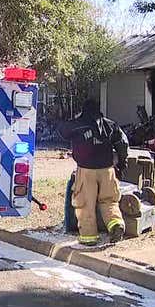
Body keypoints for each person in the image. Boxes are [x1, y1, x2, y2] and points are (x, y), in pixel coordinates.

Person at [58, 99, 129, 246]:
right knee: (109, 201)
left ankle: (89, 238)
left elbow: (62, 130)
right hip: (107, 170)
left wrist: (68, 118)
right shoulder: (110, 125)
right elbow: (123, 144)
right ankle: (116, 225)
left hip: (86, 170)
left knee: (85, 205)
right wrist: (122, 164)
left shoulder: (78, 125)